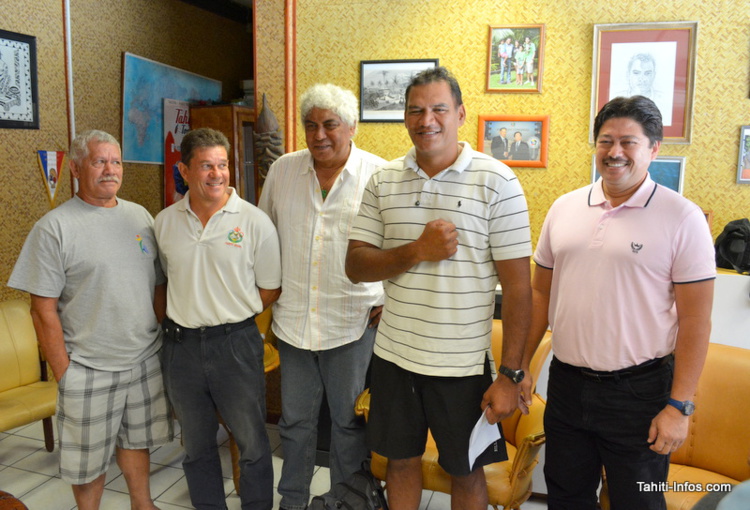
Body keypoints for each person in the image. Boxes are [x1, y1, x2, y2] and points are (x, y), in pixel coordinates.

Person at [345, 66, 532, 510]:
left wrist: (510, 376)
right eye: (416, 110)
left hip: (462, 366)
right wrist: (417, 250)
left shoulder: (498, 181)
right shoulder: (384, 180)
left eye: (439, 109)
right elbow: (355, 265)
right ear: (405, 118)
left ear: (460, 114)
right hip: (394, 358)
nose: (426, 120)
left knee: (465, 472)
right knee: (399, 463)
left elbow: (519, 289)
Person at [522, 95, 716, 509]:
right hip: (567, 385)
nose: (615, 152)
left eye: (629, 142)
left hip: (639, 393)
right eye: (606, 141)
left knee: (637, 502)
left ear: (654, 149)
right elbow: (540, 293)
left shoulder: (682, 217)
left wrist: (680, 406)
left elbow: (696, 320)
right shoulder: (564, 208)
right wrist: (520, 366)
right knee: (566, 498)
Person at [7, 130, 173, 510]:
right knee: (87, 461)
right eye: (99, 161)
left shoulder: (140, 216)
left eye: (116, 161)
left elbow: (158, 285)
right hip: (88, 366)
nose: (110, 169)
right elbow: (42, 309)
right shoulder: (54, 227)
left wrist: (160, 338)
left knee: (137, 442)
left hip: (143, 358)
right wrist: (65, 372)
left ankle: (143, 505)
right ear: (76, 169)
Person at [258, 84, 385, 510]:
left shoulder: (379, 175)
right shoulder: (283, 171)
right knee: (295, 422)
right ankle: (292, 502)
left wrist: (387, 295)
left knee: (348, 424)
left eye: (330, 124)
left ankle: (344, 502)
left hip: (352, 321)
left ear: (351, 126)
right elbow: (263, 237)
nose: (319, 135)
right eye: (310, 125)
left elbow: (397, 243)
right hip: (293, 321)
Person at [154, 127, 282, 510]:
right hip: (181, 349)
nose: (217, 174)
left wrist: (231, 315)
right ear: (184, 170)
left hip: (235, 345)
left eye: (222, 165)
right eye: (206, 166)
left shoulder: (254, 221)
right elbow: (163, 283)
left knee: (252, 442)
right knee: (196, 446)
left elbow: (270, 288)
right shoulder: (164, 222)